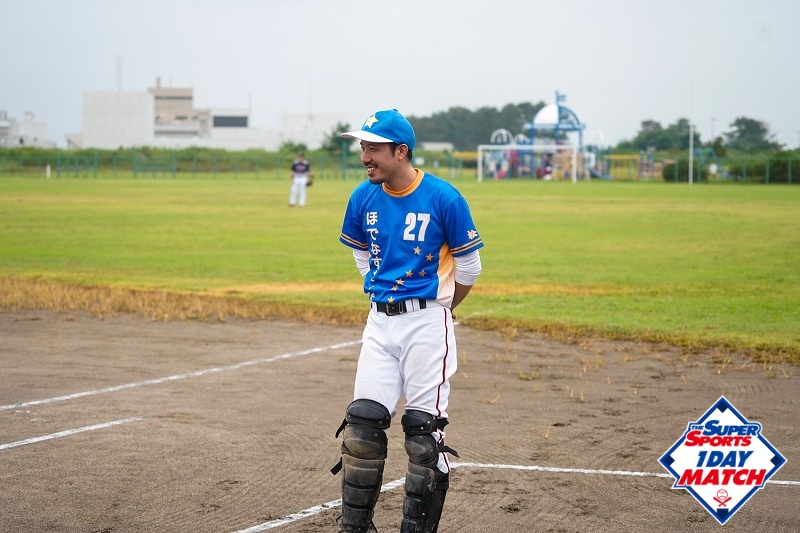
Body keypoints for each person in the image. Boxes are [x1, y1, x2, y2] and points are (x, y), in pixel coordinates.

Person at [331, 109, 484, 532]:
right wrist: (378, 289)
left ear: (401, 152)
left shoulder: (443, 197)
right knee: (362, 427)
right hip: (379, 322)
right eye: (363, 147)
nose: (365, 156)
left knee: (422, 433)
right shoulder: (362, 197)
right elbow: (362, 252)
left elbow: (470, 268)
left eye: (374, 148)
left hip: (427, 323)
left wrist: (444, 306)